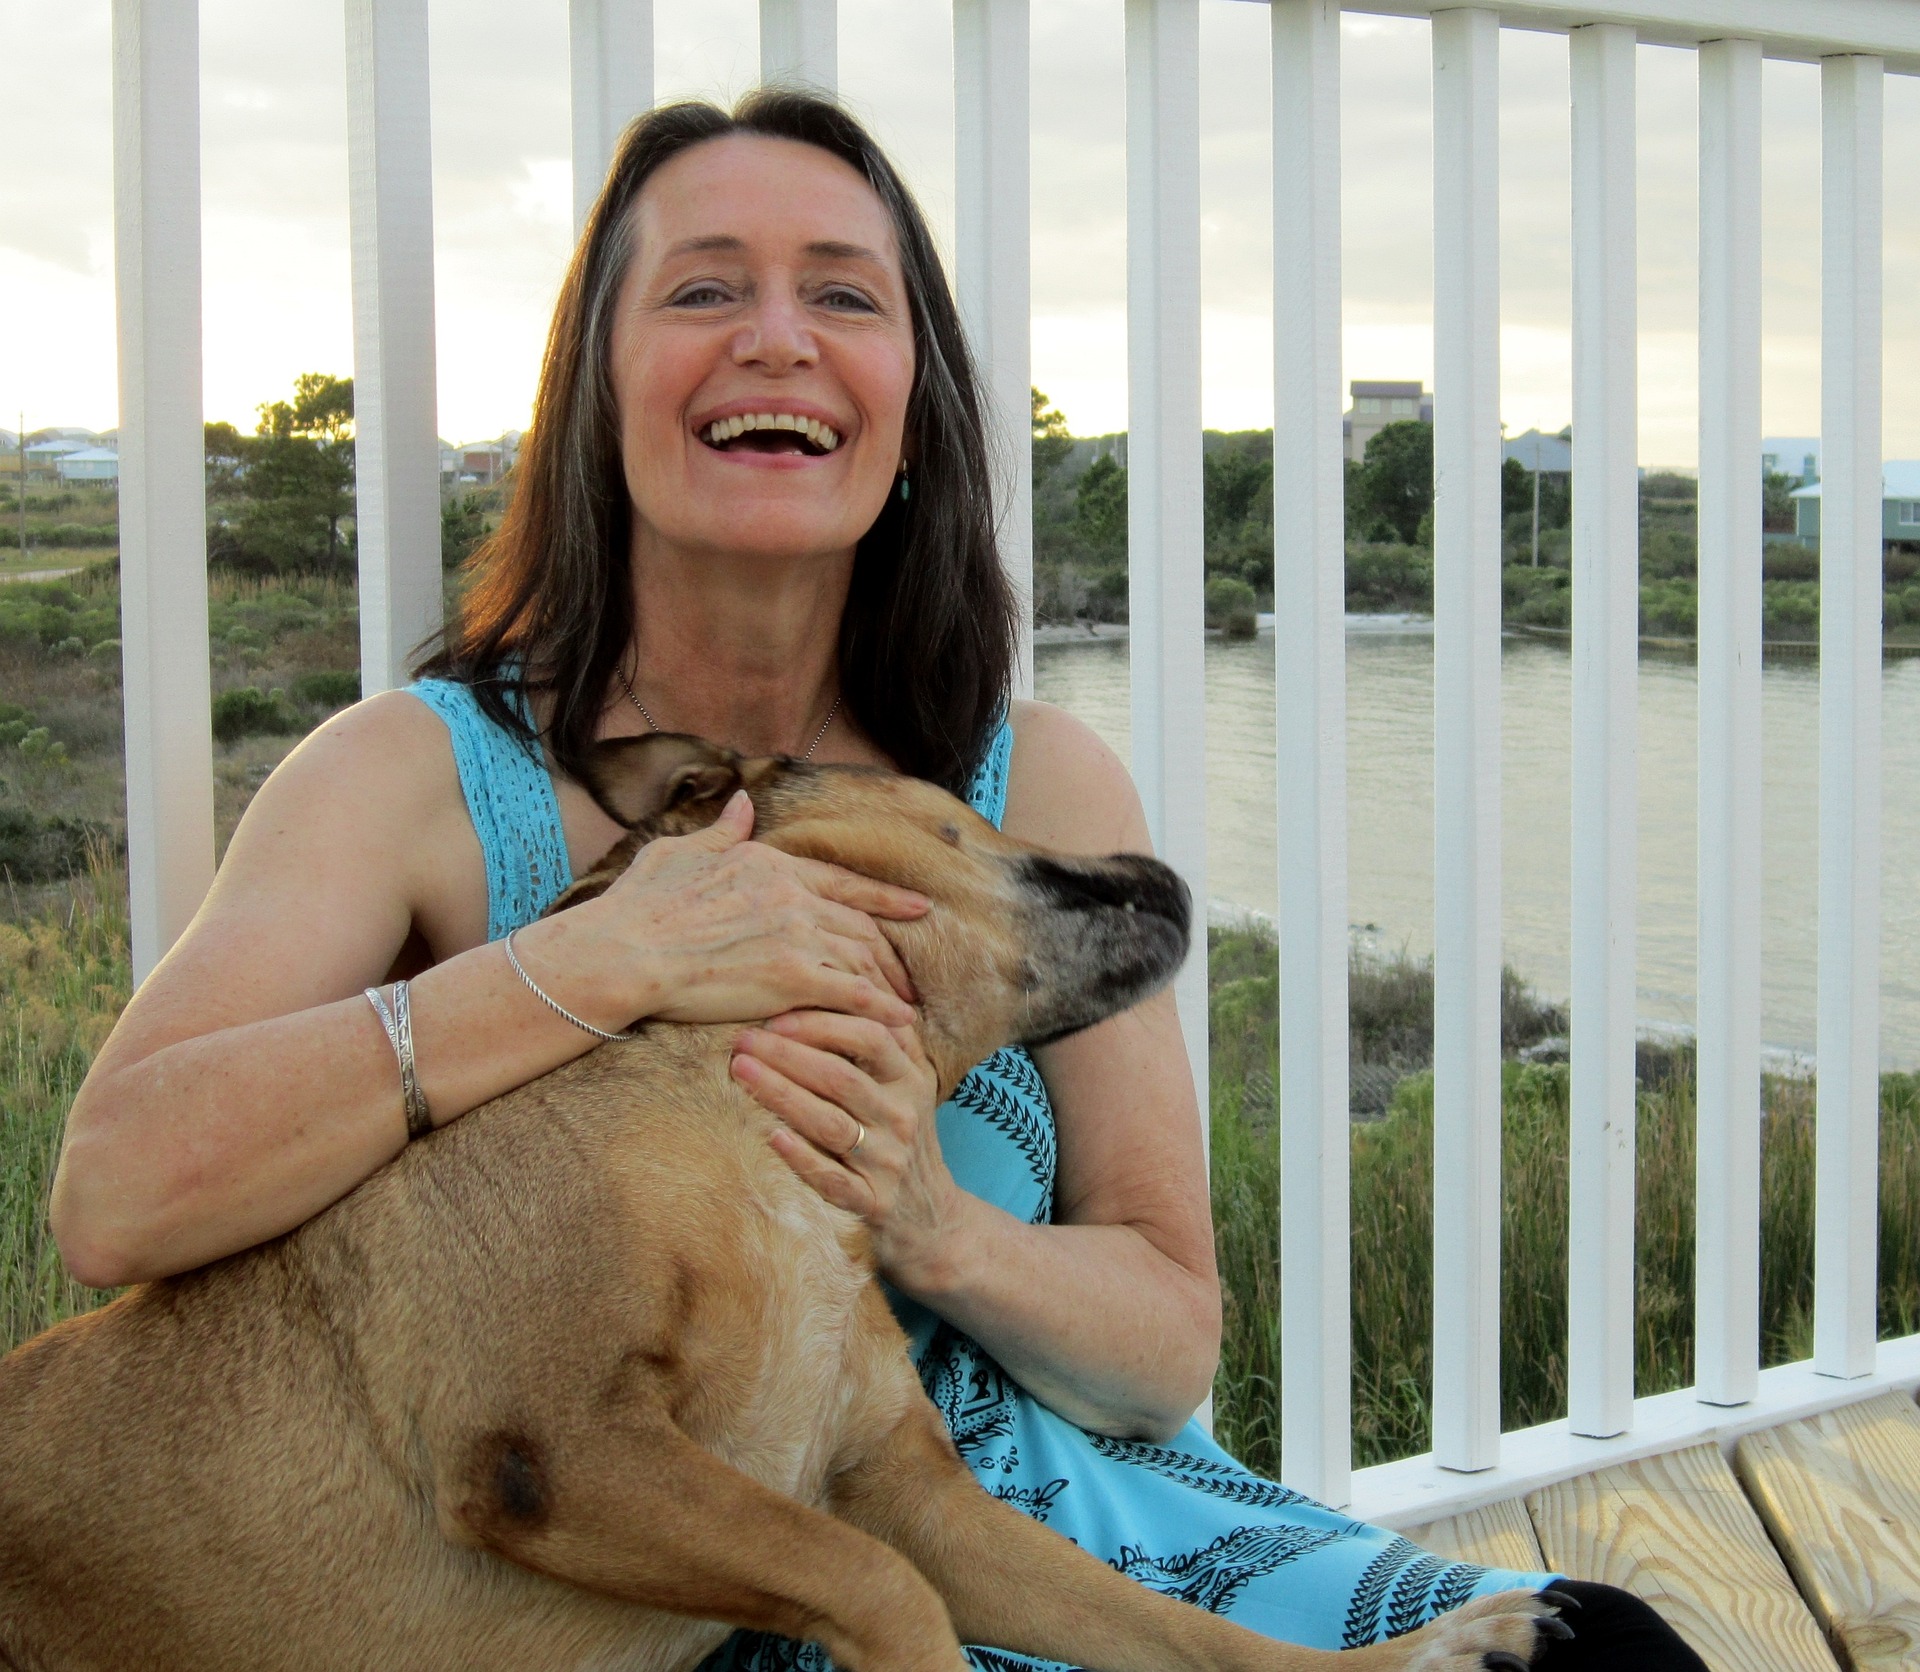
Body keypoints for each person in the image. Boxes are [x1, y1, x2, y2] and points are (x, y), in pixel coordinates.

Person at [50, 87, 1701, 1671]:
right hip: (671, 1593)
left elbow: (1166, 1349)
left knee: (1603, 1652)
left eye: (844, 295)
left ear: (908, 403)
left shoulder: (1028, 784)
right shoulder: (412, 778)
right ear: (596, 394)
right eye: (706, 289)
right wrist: (592, 967)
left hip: (1073, 1538)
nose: (779, 336)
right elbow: (113, 1194)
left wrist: (931, 1224)